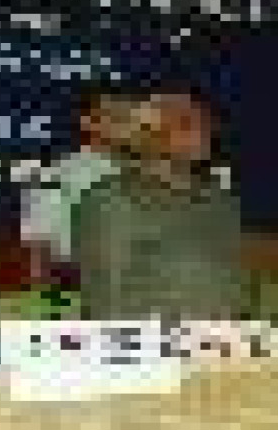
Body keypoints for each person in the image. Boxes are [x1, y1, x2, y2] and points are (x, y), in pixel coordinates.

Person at [69, 88, 252, 323]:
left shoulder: (220, 201)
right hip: (150, 340)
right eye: (185, 123)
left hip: (226, 337)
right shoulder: (110, 200)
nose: (202, 133)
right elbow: (105, 299)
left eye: (205, 123)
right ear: (146, 136)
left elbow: (231, 282)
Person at [19, 87, 137, 273]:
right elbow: (39, 246)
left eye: (126, 116)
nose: (121, 123)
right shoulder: (55, 175)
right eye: (111, 115)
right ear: (87, 121)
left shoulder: (148, 171)